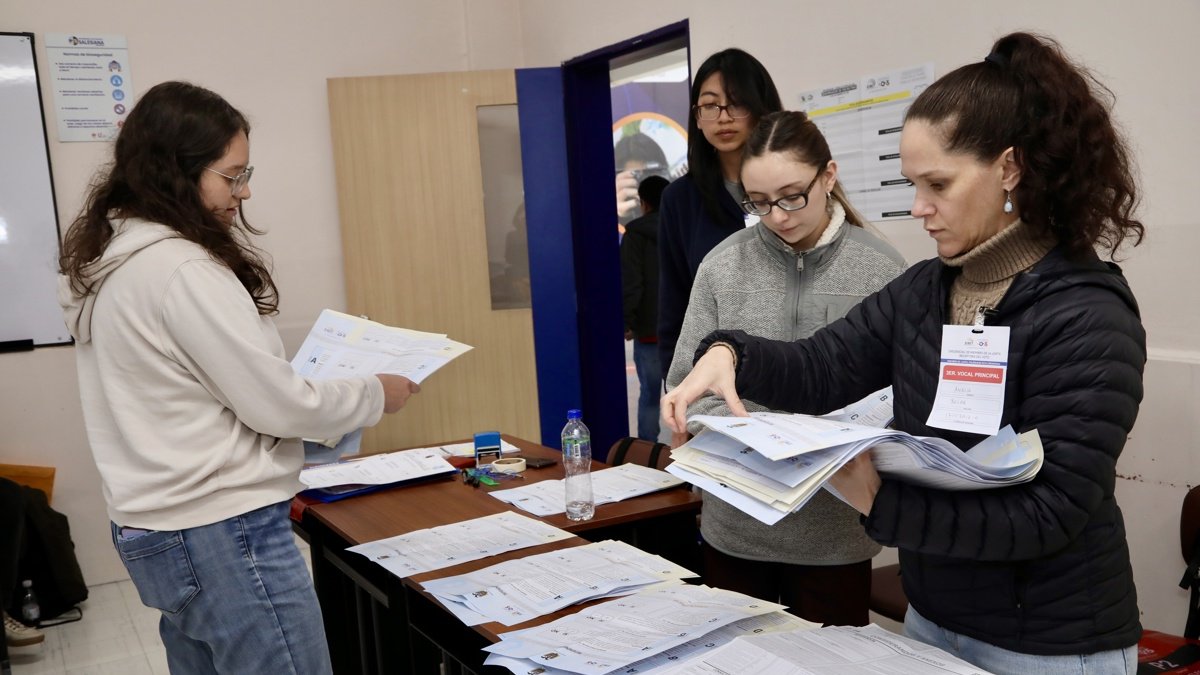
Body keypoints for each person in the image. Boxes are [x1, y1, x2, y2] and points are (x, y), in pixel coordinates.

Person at [662, 32, 1145, 674]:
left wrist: (877, 503)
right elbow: (823, 366)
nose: (919, 209)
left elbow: (1047, 514)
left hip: (1049, 644)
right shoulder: (925, 290)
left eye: (936, 184)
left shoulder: (1086, 313)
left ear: (1009, 168)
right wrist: (731, 353)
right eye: (912, 183)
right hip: (933, 618)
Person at [57, 81, 419, 674]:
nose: (243, 192)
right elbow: (275, 406)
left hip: (158, 529)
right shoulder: (179, 268)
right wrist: (376, 392)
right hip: (225, 533)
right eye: (232, 175)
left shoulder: (109, 260)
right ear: (176, 170)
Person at [667, 110, 906, 625]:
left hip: (834, 534)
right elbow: (685, 382)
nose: (777, 215)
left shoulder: (883, 269)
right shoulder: (722, 265)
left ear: (829, 176)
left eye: (792, 195)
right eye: (758, 202)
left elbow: (902, 395)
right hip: (737, 527)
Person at [657, 48, 782, 386]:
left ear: (761, 109)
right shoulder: (680, 199)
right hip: (712, 384)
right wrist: (676, 388)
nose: (723, 117)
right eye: (710, 105)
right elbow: (674, 308)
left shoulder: (792, 187)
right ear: (697, 117)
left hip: (791, 372)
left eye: (737, 103)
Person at [621, 174, 670, 442]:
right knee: (684, 396)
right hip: (680, 332)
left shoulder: (635, 235)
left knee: (650, 396)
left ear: (644, 203)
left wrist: (627, 321)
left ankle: (646, 455)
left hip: (649, 331)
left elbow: (632, 283)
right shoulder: (681, 231)